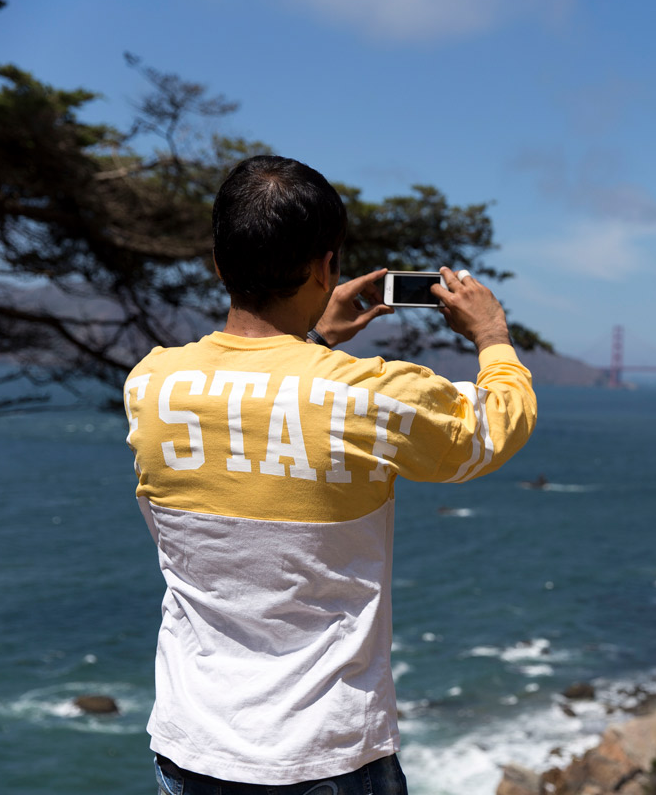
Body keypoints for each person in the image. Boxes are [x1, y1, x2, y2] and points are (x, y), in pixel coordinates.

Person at [122, 155, 536, 794]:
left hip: (191, 747)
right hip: (329, 756)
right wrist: (492, 335)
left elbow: (260, 400)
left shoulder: (149, 384)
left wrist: (312, 341)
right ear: (327, 267)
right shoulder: (367, 396)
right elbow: (494, 427)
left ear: (219, 263)